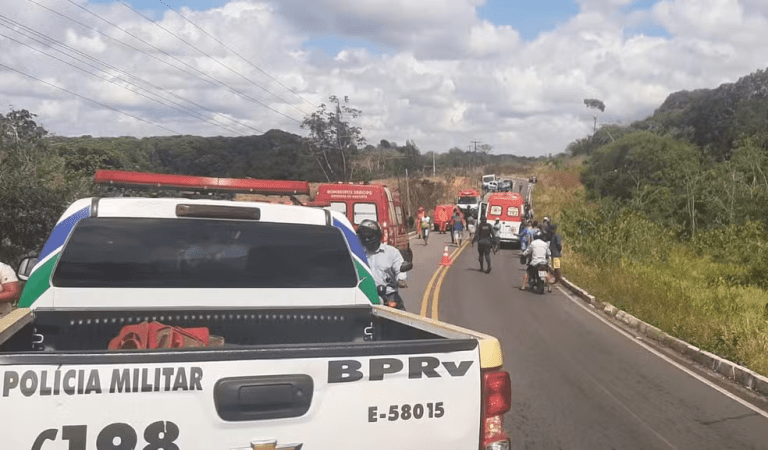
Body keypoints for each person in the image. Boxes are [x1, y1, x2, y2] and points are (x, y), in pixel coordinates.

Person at [356, 220, 406, 310]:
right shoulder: (356, 254)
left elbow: (400, 269)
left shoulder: (391, 252)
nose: (366, 240)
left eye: (369, 237)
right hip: (363, 296)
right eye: (364, 237)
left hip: (388, 295)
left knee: (402, 320)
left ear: (378, 236)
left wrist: (401, 280)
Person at [549, 224, 563, 293]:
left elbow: (559, 245)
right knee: (555, 267)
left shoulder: (556, 236)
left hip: (556, 254)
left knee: (557, 267)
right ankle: (556, 279)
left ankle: (558, 280)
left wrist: (559, 251)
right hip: (553, 253)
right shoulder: (553, 236)